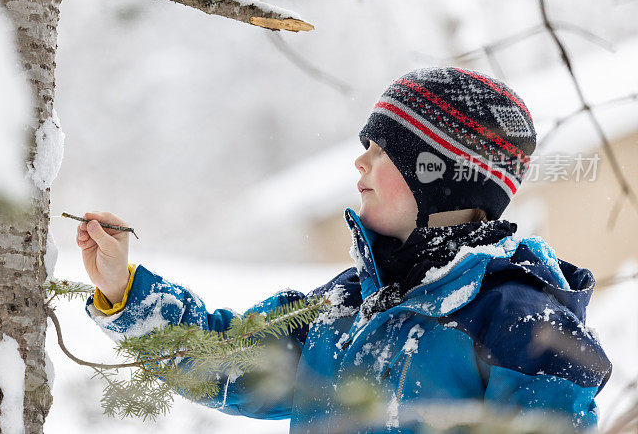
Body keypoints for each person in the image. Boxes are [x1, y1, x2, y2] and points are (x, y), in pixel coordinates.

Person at [77, 67, 611, 433]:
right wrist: (123, 289)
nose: (360, 164)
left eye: (383, 151)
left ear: (441, 176)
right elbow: (230, 361)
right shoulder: (349, 302)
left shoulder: (519, 319)